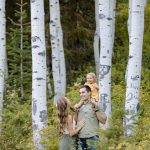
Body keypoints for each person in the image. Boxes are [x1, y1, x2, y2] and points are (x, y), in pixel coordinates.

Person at [76, 85, 107, 150]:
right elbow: (75, 121)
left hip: (92, 138)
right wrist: (75, 112)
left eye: (83, 92)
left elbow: (103, 121)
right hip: (80, 138)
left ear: (89, 92)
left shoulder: (97, 104)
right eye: (80, 93)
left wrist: (95, 109)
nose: (81, 94)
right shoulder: (78, 106)